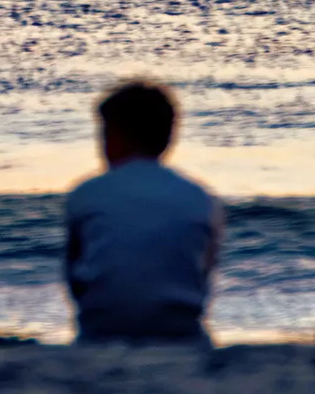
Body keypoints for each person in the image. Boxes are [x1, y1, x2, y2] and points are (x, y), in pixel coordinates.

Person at [64, 81, 221, 344]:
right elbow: (204, 273)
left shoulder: (86, 193)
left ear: (113, 137)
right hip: (180, 328)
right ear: (169, 139)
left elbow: (74, 275)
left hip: (102, 327)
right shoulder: (200, 197)